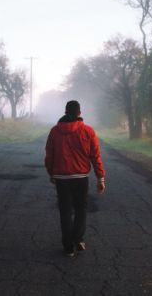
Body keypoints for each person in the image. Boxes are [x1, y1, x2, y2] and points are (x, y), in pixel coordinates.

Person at [44, 100, 105, 257]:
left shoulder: (54, 131)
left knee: (65, 210)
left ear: (65, 111)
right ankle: (78, 239)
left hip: (61, 177)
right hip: (80, 177)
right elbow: (95, 155)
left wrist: (51, 173)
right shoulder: (88, 131)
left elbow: (49, 155)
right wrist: (100, 178)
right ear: (79, 113)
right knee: (80, 208)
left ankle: (68, 246)